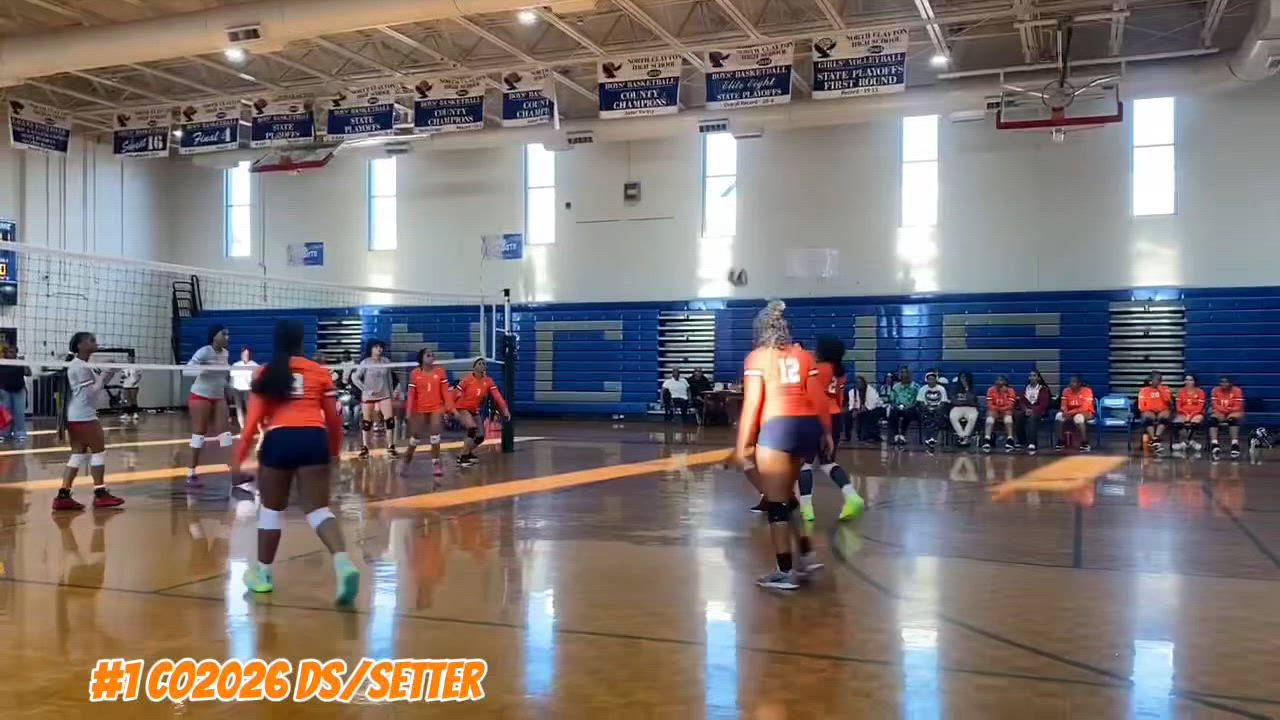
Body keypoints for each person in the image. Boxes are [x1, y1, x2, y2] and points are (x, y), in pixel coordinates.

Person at [230, 319, 358, 605]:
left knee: (271, 511)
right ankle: (343, 562)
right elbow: (334, 419)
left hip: (278, 440)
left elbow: (251, 422)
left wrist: (238, 459)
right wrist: (334, 451)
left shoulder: (265, 372)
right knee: (318, 510)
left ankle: (263, 575)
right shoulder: (318, 371)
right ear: (302, 341)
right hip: (314, 438)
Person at [735, 300, 827, 590]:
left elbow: (752, 403)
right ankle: (807, 556)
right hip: (807, 427)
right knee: (787, 495)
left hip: (778, 427)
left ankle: (784, 572)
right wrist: (825, 433)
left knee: (776, 504)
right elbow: (817, 396)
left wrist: (743, 445)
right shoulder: (803, 355)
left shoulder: (757, 358)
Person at [53, 332, 125, 511]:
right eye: (91, 340)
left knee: (77, 455)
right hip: (84, 416)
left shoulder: (82, 365)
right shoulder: (80, 367)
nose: (95, 342)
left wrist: (107, 373)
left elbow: (95, 387)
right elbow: (90, 394)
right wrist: (106, 373)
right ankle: (100, 494)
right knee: (98, 452)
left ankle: (63, 496)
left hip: (76, 415)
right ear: (80, 345)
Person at [797, 335, 864, 522]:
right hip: (835, 417)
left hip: (815, 416)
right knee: (827, 462)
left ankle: (806, 508)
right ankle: (851, 496)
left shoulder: (816, 369)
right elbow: (839, 399)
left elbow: (810, 394)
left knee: (805, 463)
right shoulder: (840, 372)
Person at [184, 325, 232, 486]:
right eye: (224, 334)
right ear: (214, 336)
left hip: (218, 395)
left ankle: (234, 470)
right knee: (199, 433)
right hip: (200, 395)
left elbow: (223, 376)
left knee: (225, 432)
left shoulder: (225, 354)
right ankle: (191, 472)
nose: (227, 337)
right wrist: (201, 368)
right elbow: (186, 371)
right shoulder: (204, 351)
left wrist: (229, 388)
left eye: (228, 334)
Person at [400, 348, 455, 477]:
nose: (431, 357)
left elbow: (445, 392)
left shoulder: (440, 371)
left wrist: (450, 408)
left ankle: (436, 463)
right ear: (422, 358)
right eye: (428, 355)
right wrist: (408, 413)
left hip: (436, 408)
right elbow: (411, 395)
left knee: (435, 436)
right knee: (415, 439)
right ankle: (406, 462)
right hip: (420, 409)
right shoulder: (415, 373)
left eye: (432, 355)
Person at [452, 358, 511, 468]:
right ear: (474, 367)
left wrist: (505, 409)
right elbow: (454, 395)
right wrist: (449, 410)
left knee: (480, 436)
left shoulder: (488, 381)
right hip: (462, 408)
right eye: (479, 363)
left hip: (474, 410)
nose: (482, 365)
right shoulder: (467, 380)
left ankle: (468, 453)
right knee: (472, 429)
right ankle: (462, 457)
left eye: (484, 363)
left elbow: (497, 396)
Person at [351, 340, 399, 460]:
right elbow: (355, 378)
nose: (379, 349)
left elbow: (389, 378)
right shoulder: (365, 362)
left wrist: (391, 393)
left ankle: (391, 446)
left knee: (389, 421)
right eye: (376, 347)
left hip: (384, 394)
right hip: (369, 396)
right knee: (367, 422)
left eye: (380, 347)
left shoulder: (386, 361)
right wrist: (365, 389)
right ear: (371, 349)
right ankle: (365, 448)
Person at [1137, 371, 1173, 454]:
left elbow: (1167, 399)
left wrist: (1160, 389)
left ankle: (1155, 439)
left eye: (1159, 379)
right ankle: (1155, 441)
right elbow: (1141, 406)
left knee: (1164, 416)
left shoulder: (1165, 389)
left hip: (1162, 411)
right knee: (1147, 417)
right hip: (1149, 411)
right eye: (1156, 379)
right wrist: (1151, 410)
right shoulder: (1144, 390)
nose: (1158, 381)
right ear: (1151, 380)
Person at [1209, 376, 1245, 459]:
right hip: (1220, 411)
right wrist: (1224, 410)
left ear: (1230, 383)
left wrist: (1228, 411)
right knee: (1212, 420)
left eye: (1225, 382)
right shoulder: (1215, 390)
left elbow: (1238, 406)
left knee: (1233, 419)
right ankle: (1214, 444)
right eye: (1221, 382)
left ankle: (1234, 444)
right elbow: (1214, 404)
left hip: (1234, 412)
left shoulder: (1237, 390)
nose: (1223, 384)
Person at [0, 345, 31, 442]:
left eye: (14, 352)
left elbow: (28, 373)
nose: (12, 354)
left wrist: (25, 363)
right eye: (10, 352)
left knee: (19, 413)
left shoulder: (19, 363)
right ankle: (3, 434)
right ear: (6, 353)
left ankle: (20, 433)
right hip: (5, 390)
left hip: (19, 390)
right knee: (5, 413)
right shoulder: (2, 363)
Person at [1056, 375, 1094, 452]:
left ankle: (1085, 443)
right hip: (1070, 412)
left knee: (1078, 418)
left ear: (1079, 384)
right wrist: (1065, 411)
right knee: (1059, 416)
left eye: (1073, 382)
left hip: (1086, 412)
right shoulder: (1066, 391)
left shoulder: (1087, 391)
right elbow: (1063, 405)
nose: (1071, 383)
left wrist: (1070, 412)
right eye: (1070, 382)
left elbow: (1085, 407)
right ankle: (1061, 441)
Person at [1019, 370, 1053, 452]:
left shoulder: (1043, 389)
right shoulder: (1026, 388)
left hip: (1039, 411)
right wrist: (1025, 409)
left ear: (1038, 378)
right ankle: (1022, 441)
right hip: (1027, 410)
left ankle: (1032, 442)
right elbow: (1021, 401)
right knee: (1018, 416)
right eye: (1030, 376)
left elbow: (1044, 404)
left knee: (1032, 417)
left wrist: (1032, 410)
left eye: (1034, 375)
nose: (1032, 377)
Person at [983, 374, 1018, 452]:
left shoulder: (1010, 390)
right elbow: (989, 404)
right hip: (994, 411)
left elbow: (1010, 405)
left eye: (1001, 380)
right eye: (998, 380)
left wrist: (1001, 408)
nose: (999, 382)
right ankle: (987, 439)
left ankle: (1010, 440)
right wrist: (997, 409)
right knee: (990, 419)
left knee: (1008, 419)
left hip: (1005, 411)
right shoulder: (991, 390)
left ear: (1005, 382)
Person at [1171, 374, 1206, 453]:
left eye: (1190, 380)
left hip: (1197, 413)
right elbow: (1178, 406)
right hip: (1183, 412)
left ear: (1194, 382)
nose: (1188, 382)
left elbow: (1200, 407)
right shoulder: (1180, 391)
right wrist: (1186, 414)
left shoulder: (1200, 392)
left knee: (1194, 423)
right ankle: (1189, 442)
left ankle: (1186, 442)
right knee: (1178, 423)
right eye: (1186, 380)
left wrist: (1191, 415)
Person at [916, 371, 949, 450]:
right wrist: (928, 408)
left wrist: (935, 408)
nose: (931, 381)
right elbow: (920, 402)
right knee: (927, 418)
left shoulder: (941, 389)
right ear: (927, 380)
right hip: (926, 409)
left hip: (938, 409)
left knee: (937, 418)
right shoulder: (923, 389)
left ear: (936, 380)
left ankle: (932, 438)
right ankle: (930, 438)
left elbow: (943, 402)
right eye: (929, 379)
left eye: (933, 379)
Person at [888, 368, 920, 446]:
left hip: (911, 408)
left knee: (908, 412)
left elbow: (918, 400)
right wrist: (896, 406)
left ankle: (902, 435)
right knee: (893, 412)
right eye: (902, 373)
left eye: (906, 373)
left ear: (910, 375)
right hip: (898, 408)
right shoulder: (895, 386)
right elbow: (892, 399)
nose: (904, 375)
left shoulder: (916, 386)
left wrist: (909, 406)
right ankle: (896, 435)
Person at [230, 346, 259, 431]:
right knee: (239, 409)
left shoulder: (255, 365)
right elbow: (232, 379)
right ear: (241, 354)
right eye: (244, 354)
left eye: (247, 354)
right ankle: (242, 427)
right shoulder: (236, 365)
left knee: (249, 408)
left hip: (248, 389)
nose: (246, 356)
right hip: (237, 389)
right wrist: (231, 390)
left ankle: (250, 426)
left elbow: (257, 379)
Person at [847, 375, 883, 443]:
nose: (858, 384)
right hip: (859, 409)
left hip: (875, 408)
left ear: (864, 383)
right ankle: (847, 436)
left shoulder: (871, 391)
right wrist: (853, 410)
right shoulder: (851, 392)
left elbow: (870, 406)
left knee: (870, 414)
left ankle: (872, 435)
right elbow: (851, 404)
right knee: (847, 414)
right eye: (857, 382)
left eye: (860, 382)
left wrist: (858, 412)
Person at [949, 372, 980, 447]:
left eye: (965, 378)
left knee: (972, 417)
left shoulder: (974, 388)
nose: (963, 380)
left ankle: (965, 436)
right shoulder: (955, 388)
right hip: (957, 407)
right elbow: (953, 400)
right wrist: (963, 402)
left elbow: (971, 399)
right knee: (953, 417)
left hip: (971, 407)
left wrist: (966, 389)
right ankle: (962, 436)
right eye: (962, 378)